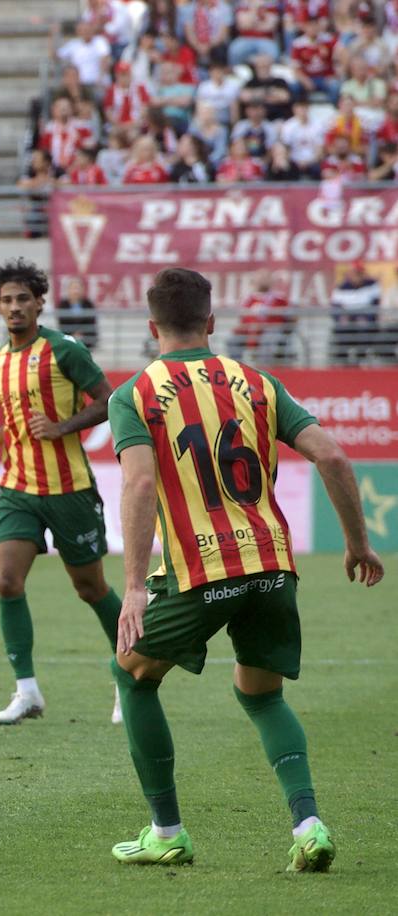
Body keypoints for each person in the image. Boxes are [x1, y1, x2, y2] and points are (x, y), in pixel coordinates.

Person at [106, 266, 384, 870]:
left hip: (204, 569)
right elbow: (333, 456)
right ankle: (309, 826)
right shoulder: (257, 382)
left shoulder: (134, 393)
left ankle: (167, 831)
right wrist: (358, 545)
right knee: (262, 697)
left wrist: (132, 586)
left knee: (131, 675)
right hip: (273, 567)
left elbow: (140, 482)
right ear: (211, 322)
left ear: (151, 327)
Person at [0, 258, 124, 726]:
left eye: (23, 299)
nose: (15, 307)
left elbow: (109, 400)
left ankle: (130, 676)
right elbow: (19, 416)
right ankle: (27, 691)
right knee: (6, 581)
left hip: (69, 489)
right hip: (18, 486)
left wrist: (61, 428)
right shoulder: (0, 359)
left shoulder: (64, 350)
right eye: (6, 300)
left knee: (90, 587)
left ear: (40, 302)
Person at [330, 260, 382, 366]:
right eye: (355, 273)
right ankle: (343, 362)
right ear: (349, 273)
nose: (357, 276)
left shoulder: (372, 285)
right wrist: (342, 318)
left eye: (359, 273)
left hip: (365, 324)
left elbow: (375, 306)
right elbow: (335, 309)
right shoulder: (341, 288)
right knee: (342, 330)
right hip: (346, 325)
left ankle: (360, 360)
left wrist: (367, 317)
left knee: (365, 330)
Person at [54, 276, 99, 351]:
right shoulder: (63, 305)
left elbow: (91, 321)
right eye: (73, 288)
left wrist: (81, 332)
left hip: (86, 338)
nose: (75, 291)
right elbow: (62, 322)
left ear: (82, 290)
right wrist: (73, 333)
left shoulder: (88, 304)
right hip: (68, 337)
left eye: (78, 288)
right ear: (68, 290)